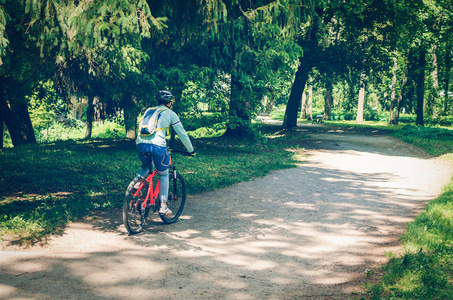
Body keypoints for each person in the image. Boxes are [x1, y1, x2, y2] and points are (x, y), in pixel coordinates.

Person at [135, 90, 196, 215]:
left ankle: (135, 185)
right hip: (158, 146)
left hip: (140, 144)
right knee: (163, 174)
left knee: (147, 165)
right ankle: (163, 205)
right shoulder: (170, 113)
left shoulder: (148, 110)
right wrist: (191, 150)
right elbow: (182, 133)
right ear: (169, 103)